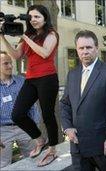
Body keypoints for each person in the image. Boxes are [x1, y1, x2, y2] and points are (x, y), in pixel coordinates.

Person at [0, 5, 59, 166]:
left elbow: (45, 53)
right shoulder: (27, 34)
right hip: (31, 78)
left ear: (45, 18)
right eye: (30, 17)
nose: (33, 20)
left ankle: (52, 150)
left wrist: (25, 38)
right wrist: (2, 37)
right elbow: (16, 55)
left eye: (37, 17)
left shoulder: (51, 34)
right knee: (17, 114)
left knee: (48, 115)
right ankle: (40, 139)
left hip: (47, 78)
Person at [60, 30, 106, 171]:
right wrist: (67, 127)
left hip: (103, 146)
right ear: (77, 49)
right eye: (81, 48)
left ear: (97, 48)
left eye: (89, 47)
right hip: (77, 145)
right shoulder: (72, 74)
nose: (85, 52)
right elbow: (65, 104)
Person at [0, 51, 40, 168]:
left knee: (34, 160)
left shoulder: (22, 81)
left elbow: (32, 106)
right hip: (3, 131)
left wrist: (35, 127)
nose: (10, 66)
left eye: (11, 63)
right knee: (3, 165)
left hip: (25, 127)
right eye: (5, 63)